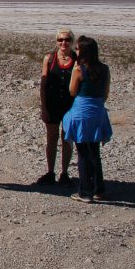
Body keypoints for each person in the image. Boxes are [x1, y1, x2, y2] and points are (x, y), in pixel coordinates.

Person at [62, 36, 112, 203]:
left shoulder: (79, 69)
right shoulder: (104, 69)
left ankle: (85, 191)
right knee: (95, 151)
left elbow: (71, 90)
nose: (75, 51)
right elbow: (105, 93)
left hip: (81, 113)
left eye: (77, 49)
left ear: (83, 51)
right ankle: (100, 189)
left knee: (83, 153)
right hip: (98, 112)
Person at [35, 28, 76, 186]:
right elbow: (44, 84)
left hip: (70, 106)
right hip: (52, 105)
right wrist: (43, 107)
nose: (63, 43)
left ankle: (64, 173)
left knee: (67, 139)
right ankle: (50, 171)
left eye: (66, 40)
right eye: (60, 40)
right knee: (51, 139)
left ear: (71, 41)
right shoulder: (50, 58)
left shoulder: (76, 58)